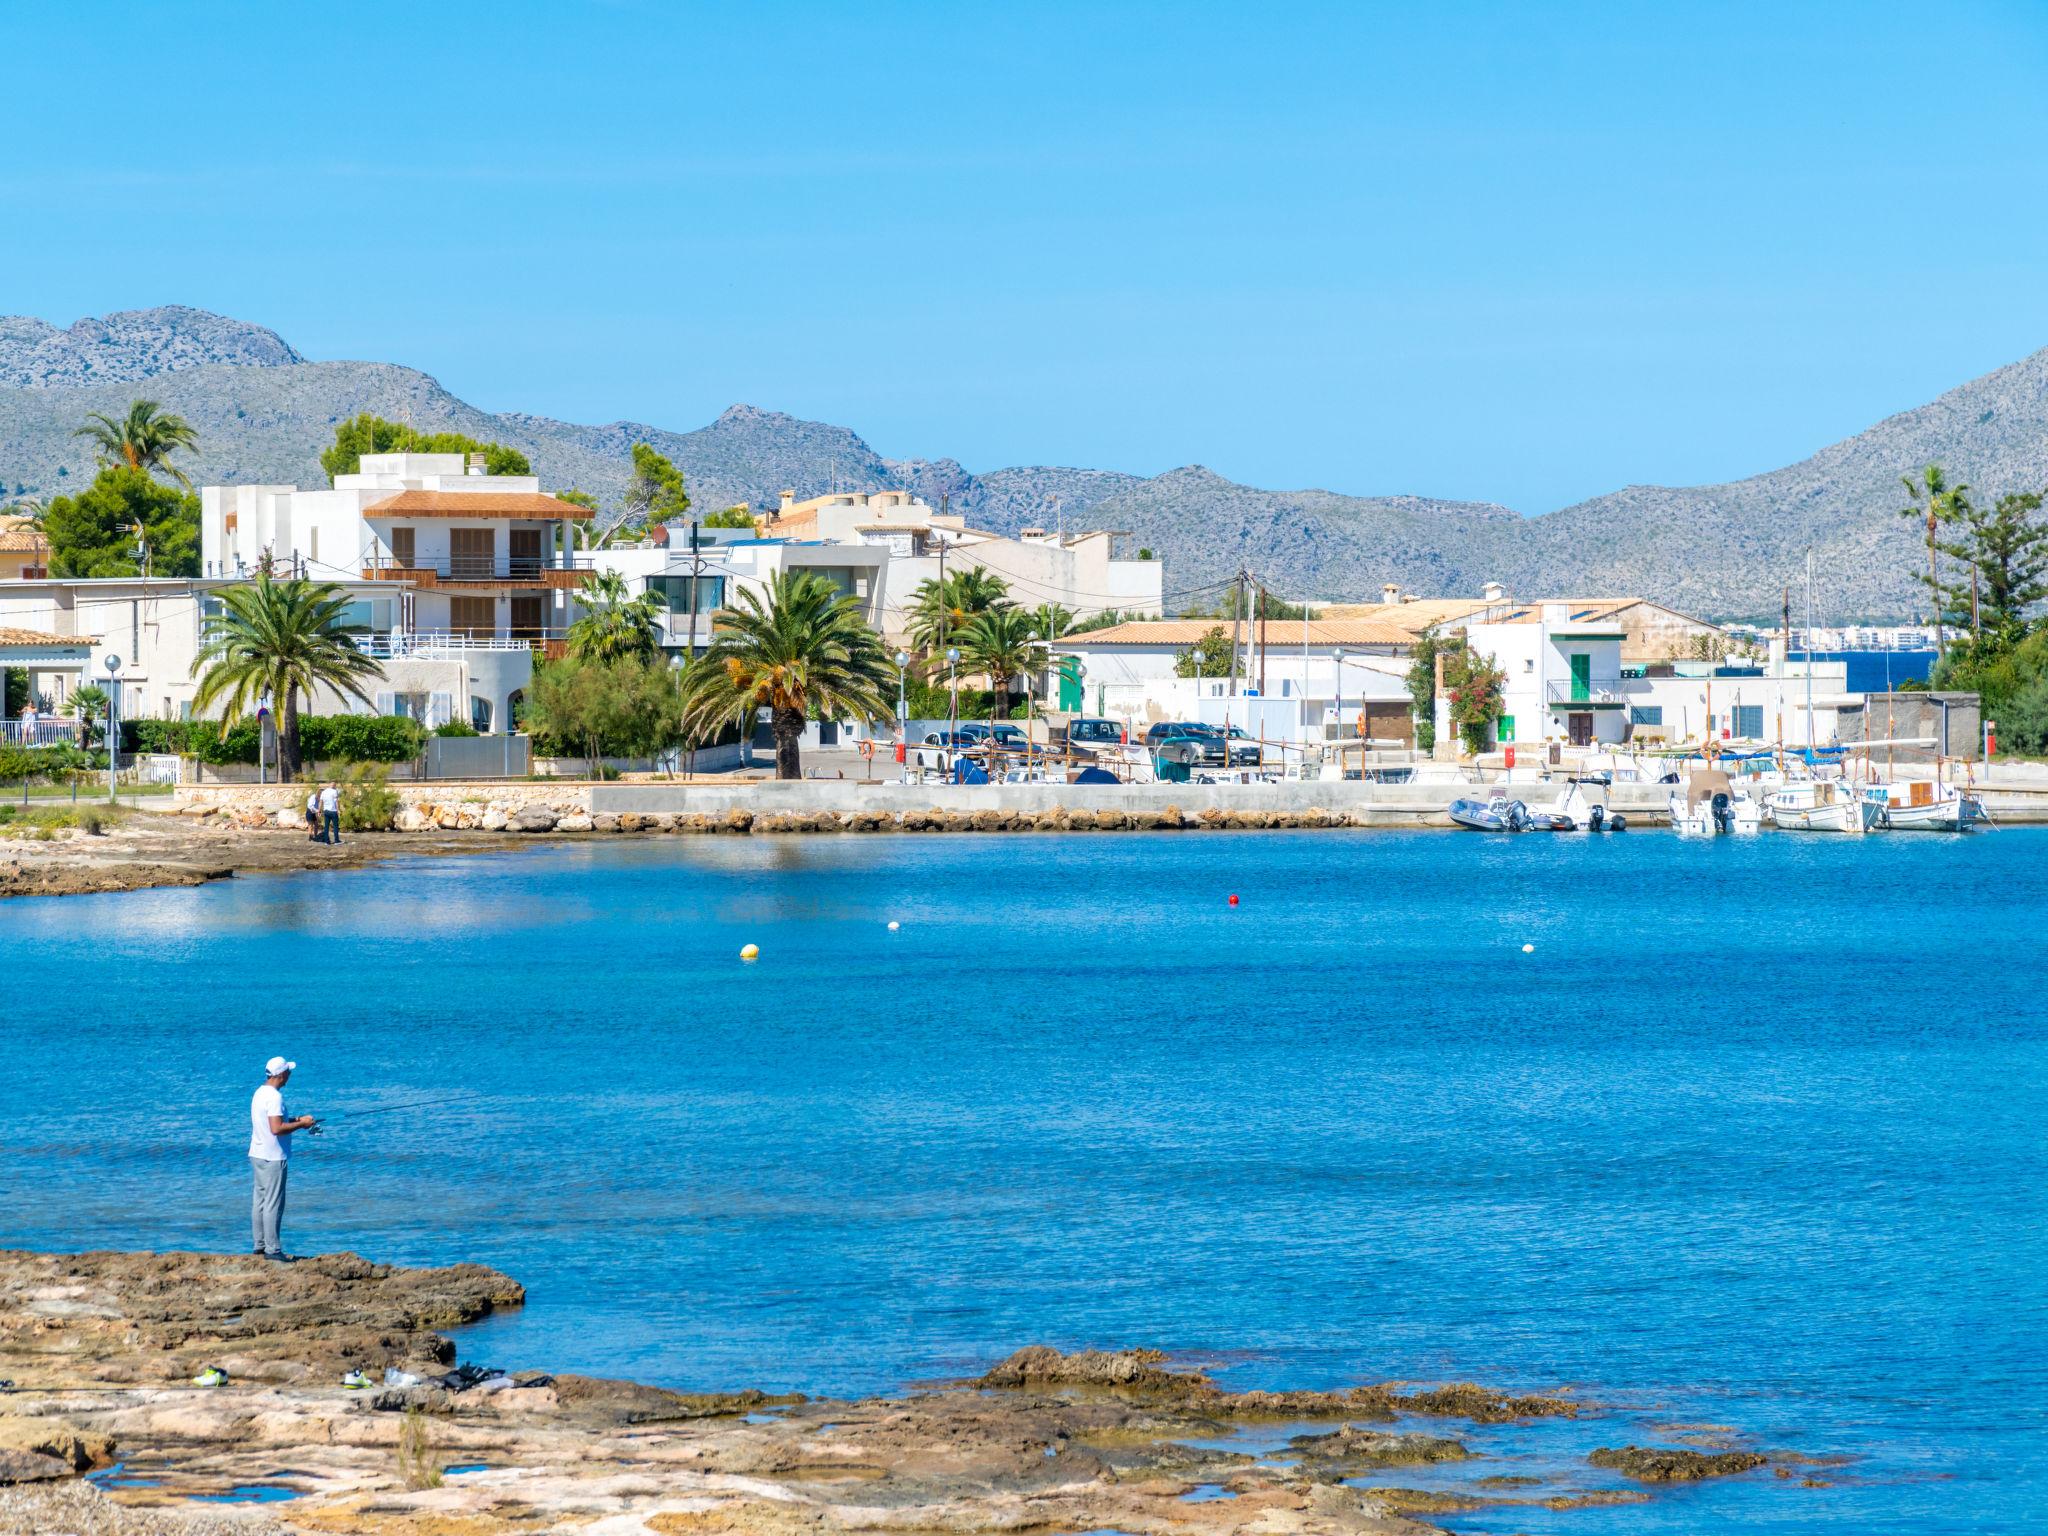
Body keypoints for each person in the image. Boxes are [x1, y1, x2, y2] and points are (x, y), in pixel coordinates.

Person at [249, 1056, 316, 1262]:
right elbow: (277, 1128)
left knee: (260, 1201)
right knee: (273, 1204)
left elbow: (275, 1121)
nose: (290, 1075)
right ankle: (273, 1250)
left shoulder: (260, 1093)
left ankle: (259, 1246)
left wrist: (297, 1119)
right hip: (273, 1157)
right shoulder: (275, 1097)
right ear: (281, 1074)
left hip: (258, 1154)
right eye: (288, 1071)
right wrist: (302, 1125)